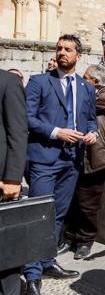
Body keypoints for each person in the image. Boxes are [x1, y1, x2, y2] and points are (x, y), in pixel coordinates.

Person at [23, 34, 97, 295]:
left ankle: (47, 260)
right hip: (44, 159)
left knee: (58, 215)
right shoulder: (39, 82)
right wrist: (57, 132)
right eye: (59, 48)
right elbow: (28, 118)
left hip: (72, 161)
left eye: (68, 49)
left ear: (78, 55)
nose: (62, 52)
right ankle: (31, 273)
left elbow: (90, 119)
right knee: (38, 214)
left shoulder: (86, 87)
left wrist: (93, 133)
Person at [62, 64, 105, 260]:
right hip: (81, 154)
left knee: (89, 203)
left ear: (95, 81)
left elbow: (83, 103)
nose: (81, 80)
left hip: (98, 156)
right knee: (73, 200)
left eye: (85, 77)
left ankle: (85, 242)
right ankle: (69, 238)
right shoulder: (90, 91)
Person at [0, 69, 27, 295]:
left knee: (4, 246)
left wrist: (12, 178)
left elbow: (17, 133)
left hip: (2, 181)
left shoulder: (8, 82)